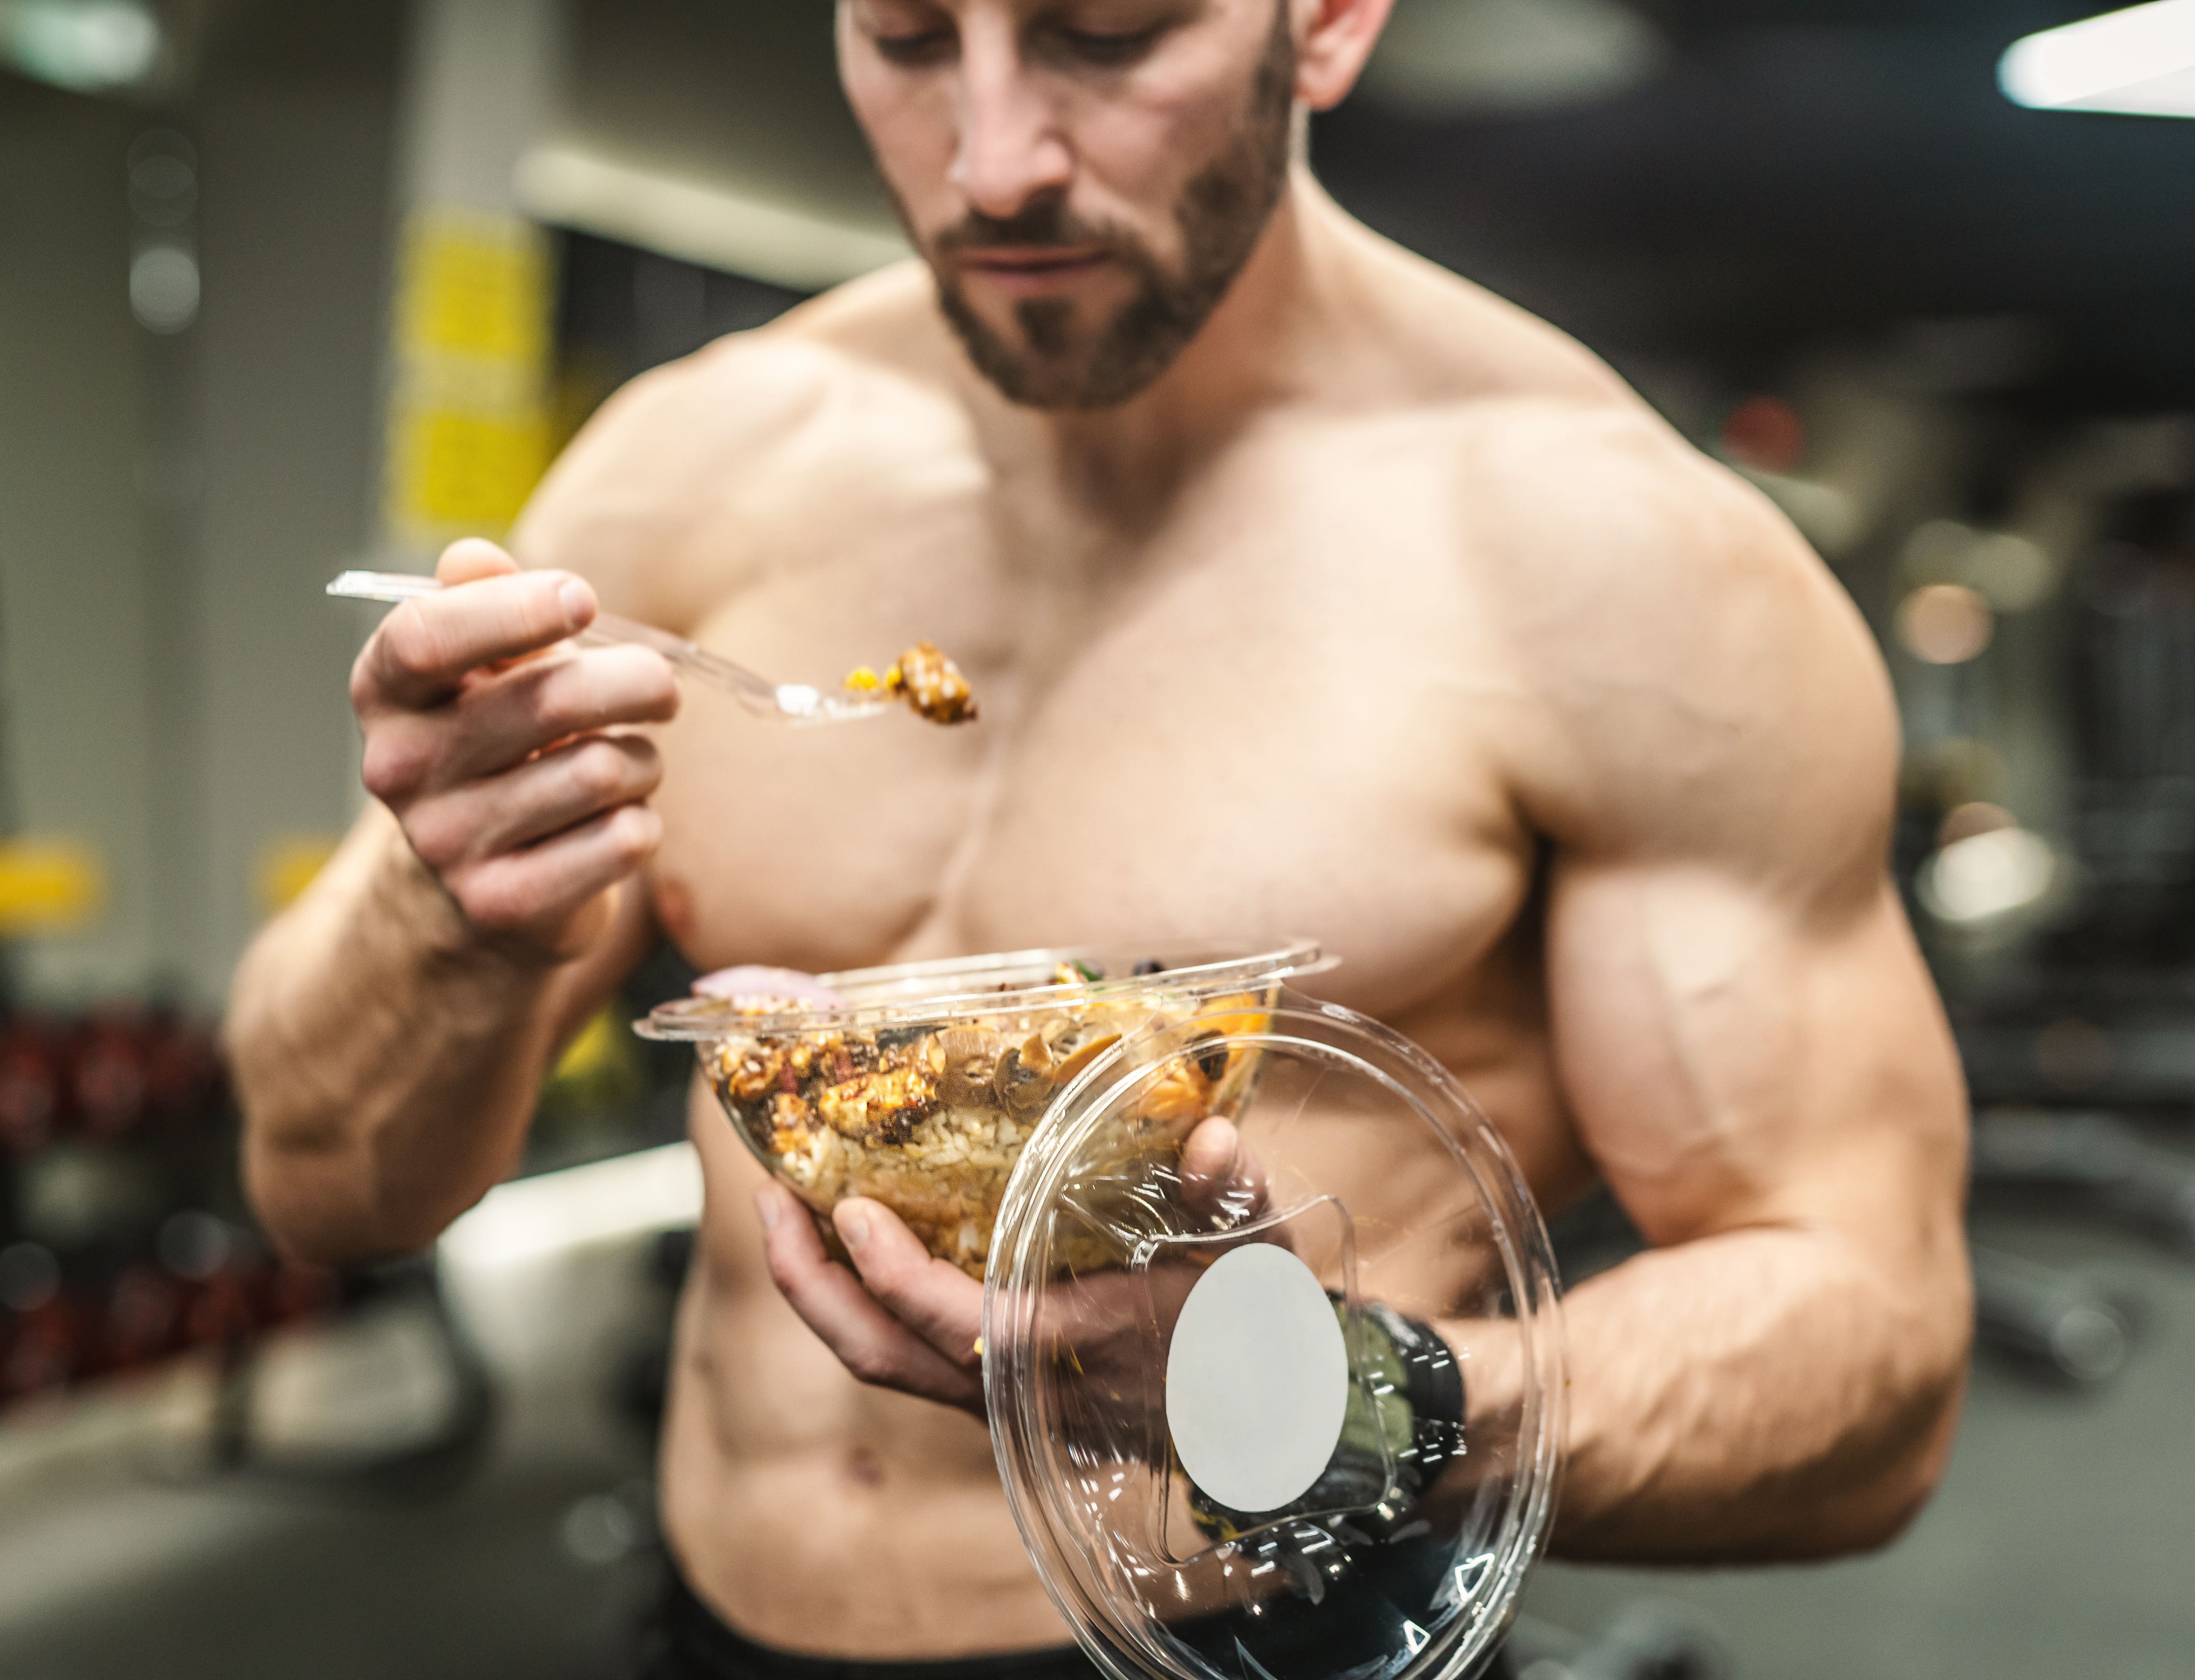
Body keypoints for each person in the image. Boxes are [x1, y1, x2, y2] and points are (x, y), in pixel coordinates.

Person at [228, 0, 1972, 1671]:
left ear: (1332, 18)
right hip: (712, 1624)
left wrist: (1319, 1396)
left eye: (1109, 34)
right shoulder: (692, 471)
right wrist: (443, 912)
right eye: (909, 38)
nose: (991, 159)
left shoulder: (1607, 560)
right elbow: (330, 1183)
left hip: (1264, 1643)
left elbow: (1879, 1360)